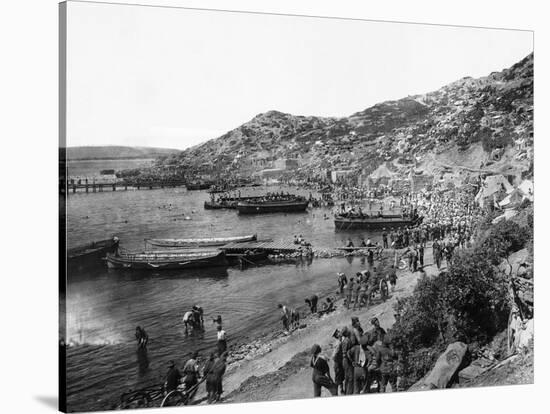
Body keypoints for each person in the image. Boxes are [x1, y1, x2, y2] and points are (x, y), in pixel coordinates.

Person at [331, 330, 345, 394]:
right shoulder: (338, 343)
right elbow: (334, 355)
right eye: (338, 332)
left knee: (341, 377)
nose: (340, 332)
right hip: (338, 363)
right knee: (338, 378)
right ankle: (336, 392)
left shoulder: (339, 342)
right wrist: (337, 360)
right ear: (337, 335)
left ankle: (341, 390)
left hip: (340, 362)